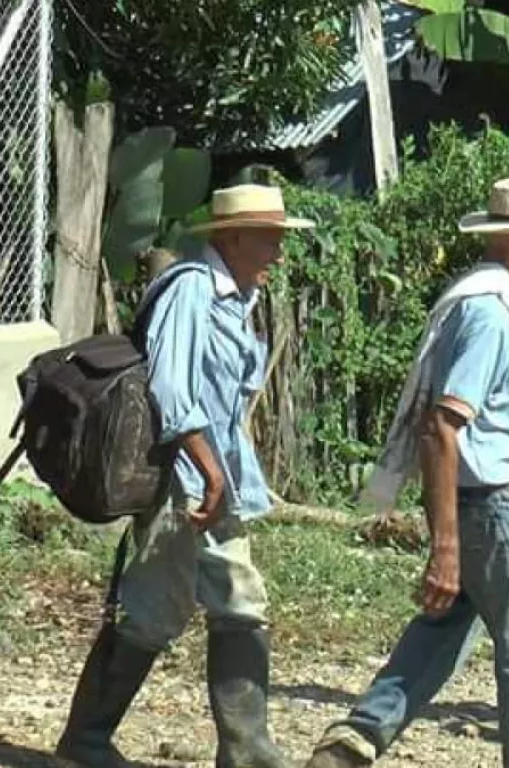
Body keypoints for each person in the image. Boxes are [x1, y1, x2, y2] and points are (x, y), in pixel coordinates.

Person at [305, 177, 509, 768]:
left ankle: (356, 740)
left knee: (446, 628)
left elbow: (484, 417)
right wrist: (446, 546)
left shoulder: (475, 296)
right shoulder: (491, 313)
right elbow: (442, 426)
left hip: (480, 494)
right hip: (490, 504)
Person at [55, 184, 316, 768]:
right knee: (235, 600)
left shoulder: (234, 298)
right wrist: (208, 469)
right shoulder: (192, 291)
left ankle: (87, 742)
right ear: (232, 237)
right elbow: (171, 389)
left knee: (158, 606)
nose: (278, 249)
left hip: (205, 473)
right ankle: (244, 752)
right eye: (269, 237)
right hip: (188, 478)